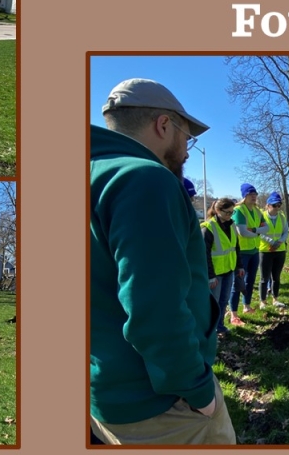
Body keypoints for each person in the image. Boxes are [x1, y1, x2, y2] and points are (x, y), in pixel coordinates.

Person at [90, 78, 235, 444]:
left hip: (107, 391)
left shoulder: (94, 174)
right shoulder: (145, 180)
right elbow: (154, 312)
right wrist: (199, 392)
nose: (187, 149)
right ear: (163, 125)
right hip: (160, 402)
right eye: (187, 136)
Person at [231, 184, 267, 322]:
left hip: (254, 251)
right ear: (244, 196)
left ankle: (246, 305)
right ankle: (234, 314)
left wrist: (253, 230)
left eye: (255, 193)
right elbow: (242, 232)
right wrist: (257, 231)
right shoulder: (239, 210)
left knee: (250, 280)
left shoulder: (258, 211)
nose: (254, 196)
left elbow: (267, 228)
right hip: (241, 252)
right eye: (250, 194)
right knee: (237, 282)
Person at [203, 198, 238, 334]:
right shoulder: (208, 228)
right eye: (227, 212)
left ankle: (220, 326)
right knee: (213, 304)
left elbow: (236, 247)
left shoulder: (231, 225)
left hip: (228, 270)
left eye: (232, 212)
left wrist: (239, 266)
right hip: (215, 275)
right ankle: (209, 331)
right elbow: (204, 255)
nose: (230, 215)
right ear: (217, 211)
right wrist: (210, 276)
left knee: (223, 301)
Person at [258, 192, 289, 309]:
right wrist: (271, 242)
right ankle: (263, 301)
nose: (277, 208)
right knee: (264, 277)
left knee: (276, 277)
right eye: (274, 205)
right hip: (265, 250)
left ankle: (275, 299)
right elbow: (258, 232)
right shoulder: (262, 216)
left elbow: (286, 231)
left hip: (280, 250)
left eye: (278, 205)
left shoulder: (282, 216)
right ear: (268, 205)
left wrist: (280, 242)